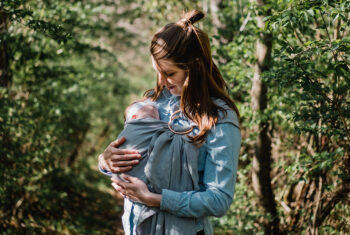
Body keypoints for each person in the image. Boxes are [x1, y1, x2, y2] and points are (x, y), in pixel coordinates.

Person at [98, 9, 241, 235]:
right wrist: (105, 161)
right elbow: (128, 156)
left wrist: (155, 199)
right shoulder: (152, 104)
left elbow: (218, 200)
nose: (162, 81)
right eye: (157, 72)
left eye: (169, 73)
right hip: (136, 227)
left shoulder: (219, 117)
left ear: (194, 66)